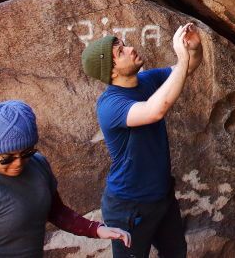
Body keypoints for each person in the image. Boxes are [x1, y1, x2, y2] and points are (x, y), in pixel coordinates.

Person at [0, 100, 130, 258]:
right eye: (6, 158)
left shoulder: (38, 164)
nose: (18, 163)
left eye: (26, 153)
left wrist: (97, 230)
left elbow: (56, 211)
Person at [81, 22, 202, 258]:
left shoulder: (146, 80)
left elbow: (184, 70)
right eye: (120, 52)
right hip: (129, 206)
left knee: (176, 253)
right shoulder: (110, 105)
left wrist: (193, 49)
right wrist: (181, 55)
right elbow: (155, 110)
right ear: (111, 71)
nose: (130, 48)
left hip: (162, 196)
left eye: (124, 45)